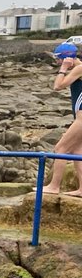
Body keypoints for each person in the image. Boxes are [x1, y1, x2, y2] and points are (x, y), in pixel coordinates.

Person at [44, 42, 82, 196]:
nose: (57, 62)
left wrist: (63, 69)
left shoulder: (79, 68)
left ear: (67, 58)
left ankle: (54, 186)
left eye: (59, 59)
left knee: (60, 149)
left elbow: (58, 86)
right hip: (79, 116)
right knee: (77, 151)